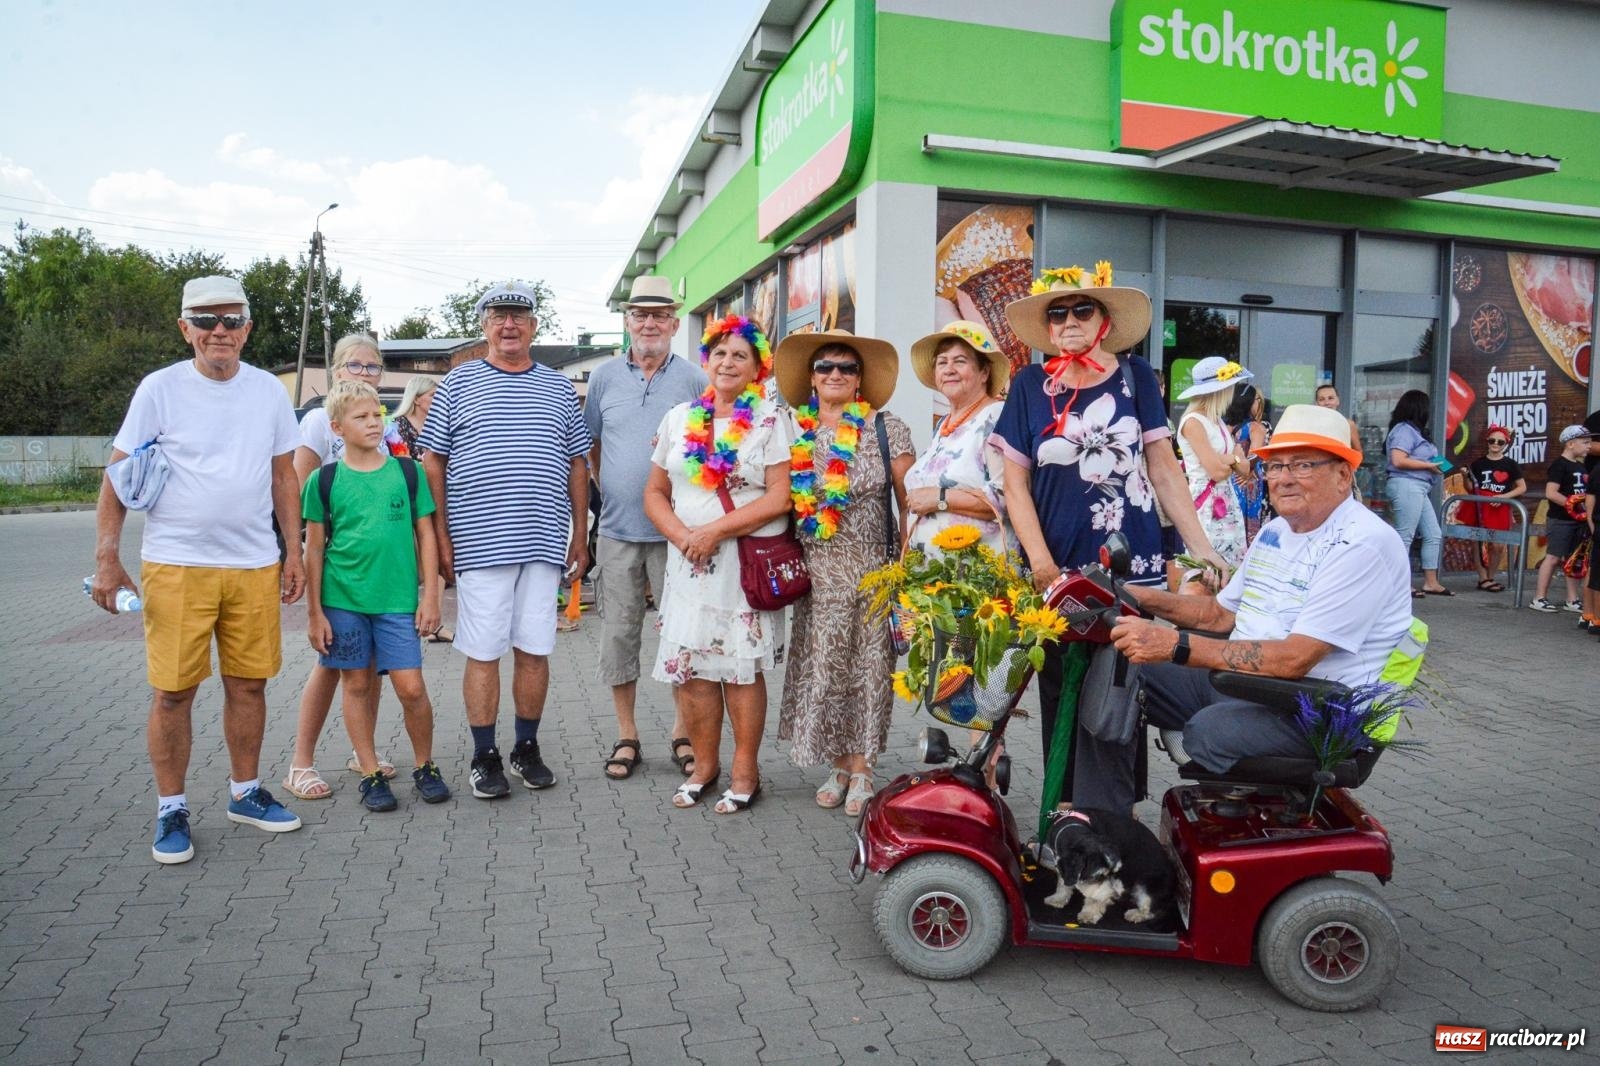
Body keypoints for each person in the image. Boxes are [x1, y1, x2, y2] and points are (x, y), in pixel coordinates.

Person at [1087, 405, 1414, 812]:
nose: (1284, 478)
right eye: (1274, 467)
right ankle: (1106, 812)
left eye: (1303, 465)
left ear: (1344, 474)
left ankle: (1238, 807)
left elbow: (1295, 658)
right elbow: (1218, 616)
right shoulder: (1277, 531)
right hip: (1247, 683)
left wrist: (1175, 646)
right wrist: (1134, 595)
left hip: (1314, 707)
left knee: (1210, 731)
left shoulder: (1361, 544)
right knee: (1118, 666)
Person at [92, 275, 305, 864]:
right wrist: (107, 561)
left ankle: (245, 793)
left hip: (253, 563)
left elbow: (283, 475)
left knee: (249, 683)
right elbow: (115, 476)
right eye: (206, 321)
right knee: (173, 693)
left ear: (247, 329)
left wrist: (295, 551)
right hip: (176, 564)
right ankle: (171, 809)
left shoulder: (267, 392)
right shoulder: (159, 389)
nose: (220, 332)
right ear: (185, 328)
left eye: (231, 321)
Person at [993, 263, 1225, 778]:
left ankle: (1116, 817)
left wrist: (1201, 548)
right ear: (1048, 328)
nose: (1069, 321)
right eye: (1058, 313)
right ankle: (1065, 812)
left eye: (1081, 308)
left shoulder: (1134, 376)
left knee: (1121, 686)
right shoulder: (1030, 384)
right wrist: (1039, 562)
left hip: (1131, 563)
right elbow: (1015, 485)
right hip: (1058, 565)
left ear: (1102, 320)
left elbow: (1164, 467)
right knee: (1060, 685)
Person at [418, 282, 591, 799]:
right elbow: (433, 462)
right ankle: (484, 755)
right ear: (484, 325)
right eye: (499, 315)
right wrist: (442, 536)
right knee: (484, 649)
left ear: (535, 325)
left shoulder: (559, 389)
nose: (509, 324)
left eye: (519, 315)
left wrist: (580, 534)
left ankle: (526, 748)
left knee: (535, 649)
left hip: (543, 541)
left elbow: (577, 462)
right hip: (479, 545)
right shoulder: (457, 383)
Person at [643, 315, 792, 813]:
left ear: (757, 367)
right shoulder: (678, 417)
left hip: (740, 565)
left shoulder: (772, 420)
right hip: (688, 565)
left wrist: (713, 532)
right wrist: (685, 536)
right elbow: (655, 492)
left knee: (740, 672)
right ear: (707, 360)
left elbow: (778, 498)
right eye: (720, 353)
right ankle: (705, 766)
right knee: (696, 672)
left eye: (740, 355)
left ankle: (745, 769)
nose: (728, 363)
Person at [775, 329, 915, 818]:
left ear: (860, 380)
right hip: (818, 572)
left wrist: (907, 565)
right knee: (825, 671)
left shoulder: (886, 428)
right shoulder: (795, 430)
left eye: (846, 368)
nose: (835, 374)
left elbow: (909, 500)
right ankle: (838, 765)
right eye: (825, 367)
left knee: (870, 672)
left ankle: (864, 770)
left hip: (872, 569)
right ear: (811, 379)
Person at [301, 381, 450, 811]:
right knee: (358, 684)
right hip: (342, 601)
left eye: (376, 415)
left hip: (397, 601)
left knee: (411, 688)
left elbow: (425, 534)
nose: (372, 423)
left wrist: (432, 597)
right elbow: (314, 549)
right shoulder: (324, 480)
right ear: (336, 428)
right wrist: (315, 613)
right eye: (360, 417)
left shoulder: (407, 472)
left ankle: (425, 765)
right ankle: (369, 772)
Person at [584, 276, 708, 781]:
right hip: (616, 532)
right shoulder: (604, 378)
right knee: (618, 634)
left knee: (681, 638)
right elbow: (590, 447)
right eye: (640, 314)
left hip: (679, 535)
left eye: (660, 315)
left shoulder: (696, 380)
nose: (650, 323)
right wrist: (612, 487)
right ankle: (627, 734)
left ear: (676, 324)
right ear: (628, 321)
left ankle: (682, 732)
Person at [282, 335, 408, 801]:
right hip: (338, 570)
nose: (363, 374)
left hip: (377, 576)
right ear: (336, 371)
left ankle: (364, 755)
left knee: (368, 666)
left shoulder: (384, 426)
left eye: (372, 367)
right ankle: (300, 763)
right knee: (330, 666)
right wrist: (297, 557)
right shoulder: (320, 420)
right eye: (354, 365)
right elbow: (298, 490)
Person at [903, 320, 1012, 556]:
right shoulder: (944, 424)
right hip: (934, 580)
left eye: (960, 361)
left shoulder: (996, 416)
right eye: (942, 362)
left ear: (984, 372)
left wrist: (940, 498)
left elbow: (1009, 497)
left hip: (977, 576)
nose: (949, 369)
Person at [1175, 356, 1252, 567]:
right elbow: (1216, 471)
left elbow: (1245, 469)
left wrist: (1229, 459)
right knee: (1205, 566)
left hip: (1227, 500)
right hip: (1206, 502)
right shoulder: (1193, 422)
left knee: (1231, 565)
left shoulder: (1217, 421)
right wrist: (1232, 459)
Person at [1384, 389, 1452, 598]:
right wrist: (1427, 465)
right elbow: (1398, 460)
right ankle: (1400, 584)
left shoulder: (1415, 432)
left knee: (1433, 534)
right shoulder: (1404, 430)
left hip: (1419, 486)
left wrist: (1436, 465)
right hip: (1407, 484)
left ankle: (1431, 582)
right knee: (1405, 535)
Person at [1528, 425, 1592, 613]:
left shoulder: (1581, 466)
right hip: (1561, 519)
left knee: (1573, 559)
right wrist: (1572, 505)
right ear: (1571, 444)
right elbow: (1551, 493)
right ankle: (1539, 597)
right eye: (1585, 442)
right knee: (1553, 556)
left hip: (1578, 520)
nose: (1589, 446)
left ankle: (1572, 599)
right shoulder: (1559, 465)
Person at [1462, 423, 1525, 593]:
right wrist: (1464, 476)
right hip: (1480, 504)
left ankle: (1490, 576)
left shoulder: (1510, 464)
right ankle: (1483, 578)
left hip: (1500, 506)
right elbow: (1470, 488)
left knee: (1497, 545)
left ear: (1506, 444)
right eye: (1492, 441)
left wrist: (1503, 498)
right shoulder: (1479, 463)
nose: (1495, 444)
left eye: (1500, 442)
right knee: (1478, 541)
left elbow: (1521, 487)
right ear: (1487, 441)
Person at [1222, 381, 1272, 545]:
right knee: (1249, 529)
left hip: (1227, 480)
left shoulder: (1223, 426)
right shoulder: (1255, 427)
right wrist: (1247, 470)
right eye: (1257, 400)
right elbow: (1255, 454)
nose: (1260, 404)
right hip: (1247, 483)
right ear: (1249, 402)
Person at [390, 374, 437, 458]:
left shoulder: (440, 424)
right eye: (433, 395)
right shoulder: (397, 426)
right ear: (416, 400)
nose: (439, 398)